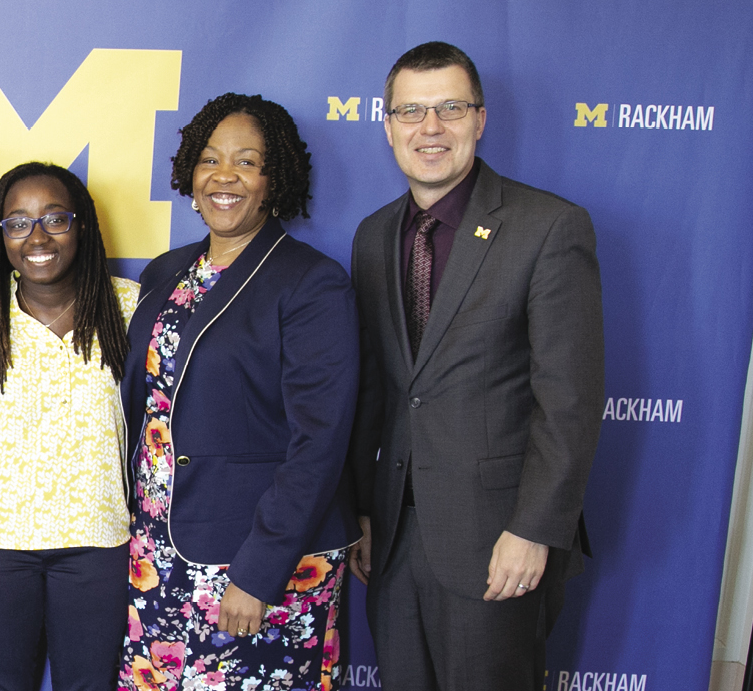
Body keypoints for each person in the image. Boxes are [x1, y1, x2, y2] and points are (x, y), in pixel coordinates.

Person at [348, 42, 605, 690]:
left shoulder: (548, 227)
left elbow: (569, 402)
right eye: (411, 111)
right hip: (395, 540)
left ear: (480, 120)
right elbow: (377, 392)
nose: (430, 128)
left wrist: (533, 530)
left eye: (451, 109)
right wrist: (365, 514)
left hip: (497, 541)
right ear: (388, 126)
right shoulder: (374, 236)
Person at [116, 93, 360, 690]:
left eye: (247, 162)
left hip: (255, 558)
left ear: (274, 181)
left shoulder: (311, 282)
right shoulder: (166, 271)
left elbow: (319, 442)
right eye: (210, 159)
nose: (224, 176)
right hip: (158, 547)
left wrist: (259, 571)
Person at [0, 162, 136, 691]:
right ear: (0, 235)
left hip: (97, 538)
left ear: (83, 226)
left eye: (55, 219)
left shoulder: (128, 306)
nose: (37, 237)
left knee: (90, 684)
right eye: (18, 223)